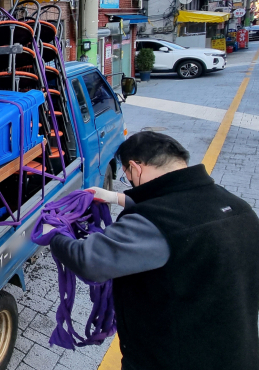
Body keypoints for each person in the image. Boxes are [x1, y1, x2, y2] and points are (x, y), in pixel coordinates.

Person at [50, 131, 259, 370]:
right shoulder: (240, 209)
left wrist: (54, 234)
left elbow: (88, 260)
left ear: (135, 167)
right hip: (240, 354)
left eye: (128, 176)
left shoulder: (154, 224)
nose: (129, 182)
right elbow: (177, 209)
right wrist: (118, 198)